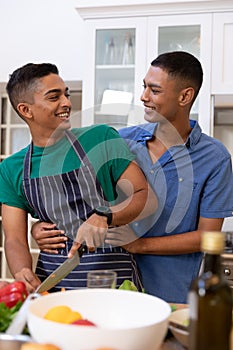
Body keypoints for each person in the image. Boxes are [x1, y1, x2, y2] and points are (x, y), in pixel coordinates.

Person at [32, 52, 233, 303]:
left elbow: (208, 236)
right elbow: (82, 202)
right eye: (144, 87)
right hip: (109, 285)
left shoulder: (214, 157)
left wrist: (141, 245)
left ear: (185, 96)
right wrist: (40, 227)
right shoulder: (119, 139)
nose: (143, 97)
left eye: (154, 90)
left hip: (168, 291)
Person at [0, 62, 157, 293]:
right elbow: (14, 239)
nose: (67, 103)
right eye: (54, 97)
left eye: (66, 94)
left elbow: (146, 198)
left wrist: (106, 217)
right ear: (26, 110)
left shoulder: (100, 137)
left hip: (114, 283)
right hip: (54, 287)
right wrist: (22, 270)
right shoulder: (11, 168)